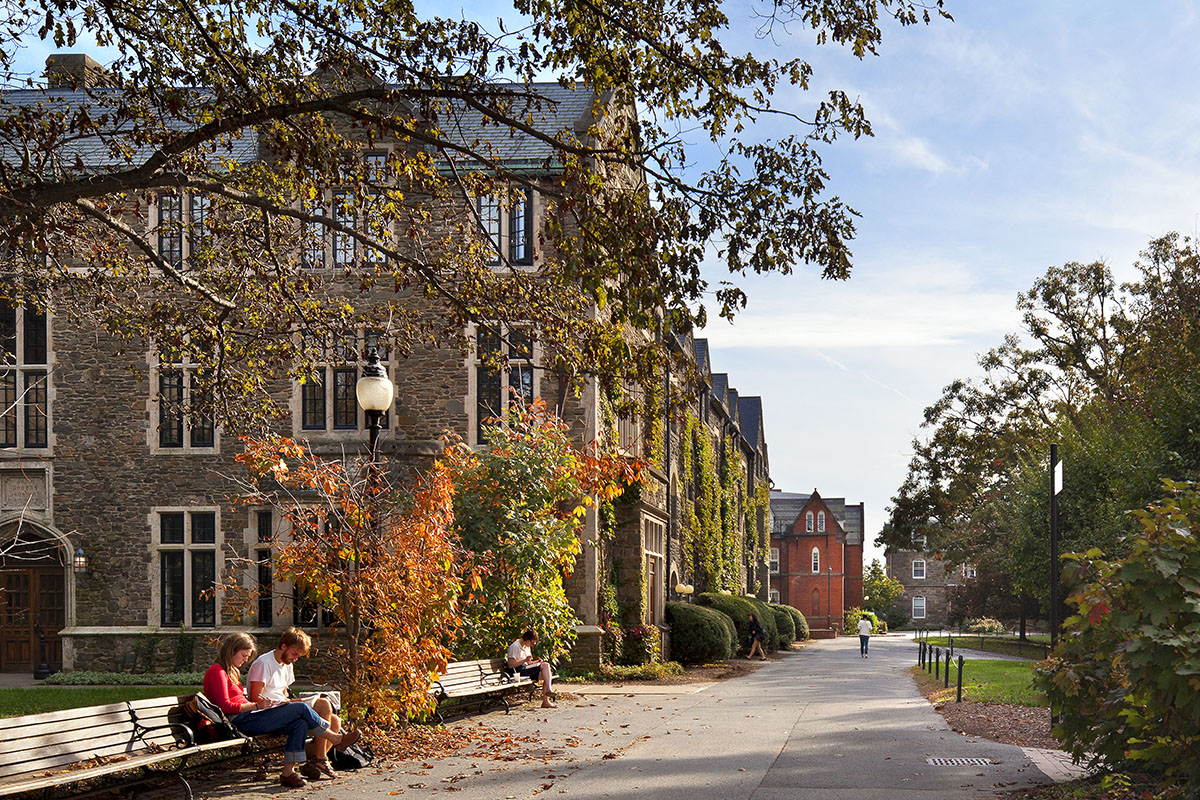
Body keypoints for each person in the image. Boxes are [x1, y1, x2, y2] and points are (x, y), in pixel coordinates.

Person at [203, 632, 360, 789]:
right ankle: (336, 739)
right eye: (244, 656)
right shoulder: (217, 672)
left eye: (247, 657)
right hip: (240, 720)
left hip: (250, 715)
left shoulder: (231, 672)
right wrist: (257, 706)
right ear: (232, 651)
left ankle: (288, 773)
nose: (245, 661)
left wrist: (265, 705)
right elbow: (226, 707)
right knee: (301, 708)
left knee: (299, 723)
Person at [247, 627, 343, 781]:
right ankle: (327, 749)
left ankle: (313, 761)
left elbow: (283, 693)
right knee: (303, 709)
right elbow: (255, 699)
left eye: (299, 656)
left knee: (331, 715)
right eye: (294, 653)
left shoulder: (287, 665)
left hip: (282, 708)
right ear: (284, 646)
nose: (295, 659)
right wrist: (287, 703)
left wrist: (289, 702)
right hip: (263, 713)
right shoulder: (264, 663)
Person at [506, 630, 556, 708]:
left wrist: (536, 662)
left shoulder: (526, 646)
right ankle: (547, 697)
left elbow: (528, 662)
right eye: (532, 643)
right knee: (546, 670)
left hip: (526, 669)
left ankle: (546, 700)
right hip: (518, 672)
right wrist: (525, 660)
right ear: (526, 639)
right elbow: (511, 665)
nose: (532, 645)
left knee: (546, 669)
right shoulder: (515, 646)